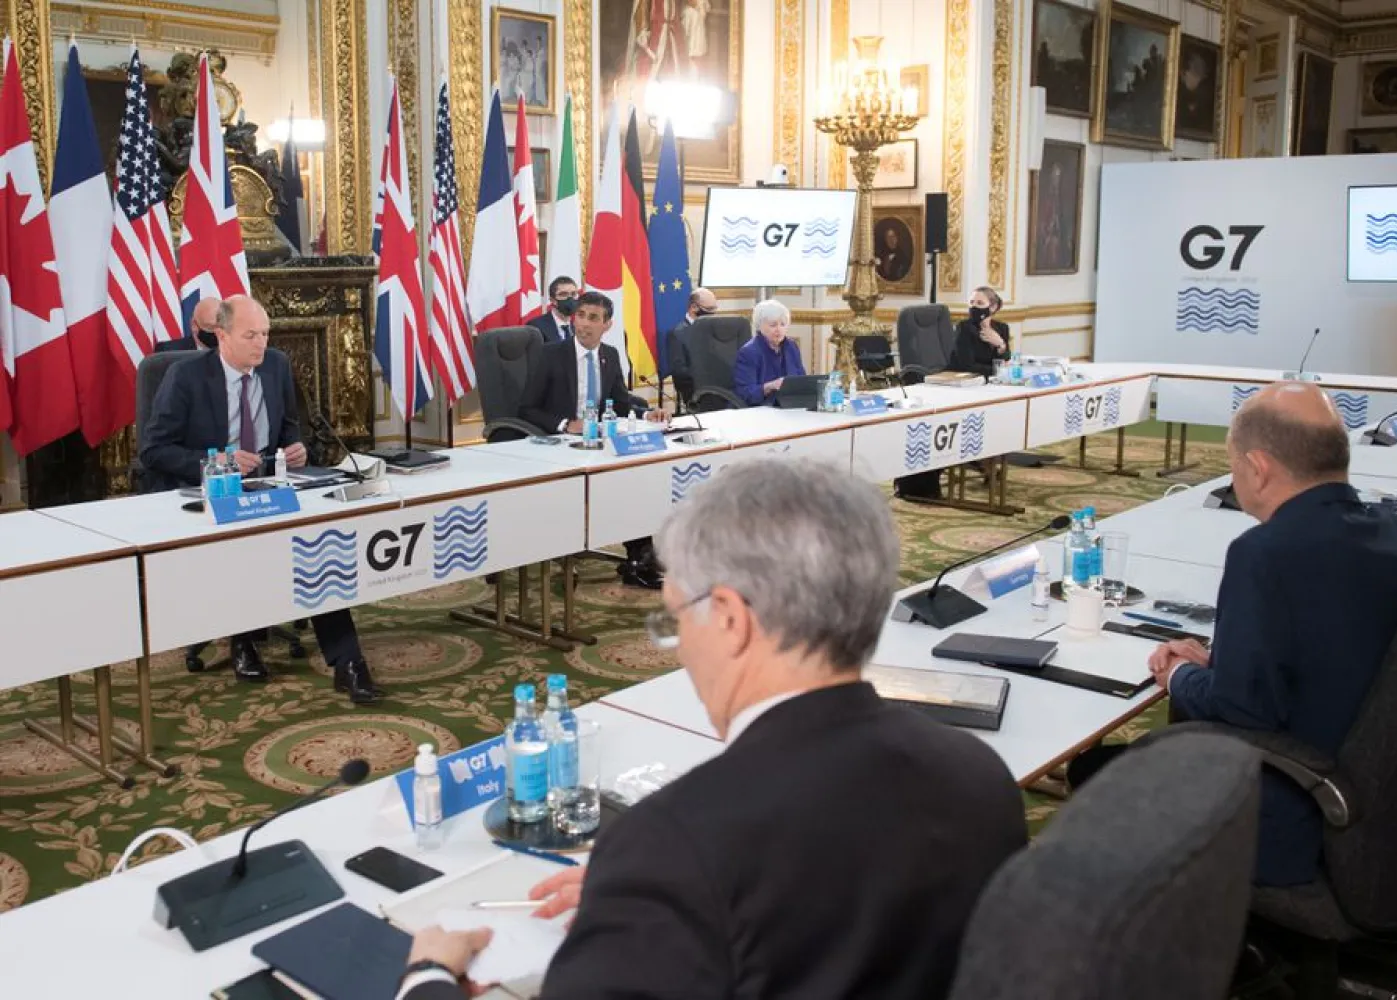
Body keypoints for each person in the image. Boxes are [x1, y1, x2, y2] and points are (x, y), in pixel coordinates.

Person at [396, 459, 1028, 1000]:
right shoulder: (977, 774)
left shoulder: (676, 842)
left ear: (728, 618)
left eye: (676, 617)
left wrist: (428, 977)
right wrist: (644, 907)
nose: (677, 647)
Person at [1068, 382, 1397, 886]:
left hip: (1297, 807)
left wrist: (1178, 674)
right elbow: (1335, 643)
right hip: (1392, 791)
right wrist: (1223, 661)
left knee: (1097, 770)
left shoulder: (1267, 554)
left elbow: (1243, 709)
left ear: (1257, 468)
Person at [139, 296, 383, 703]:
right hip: (212, 493)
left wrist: (296, 448)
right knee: (244, 544)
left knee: (319, 546)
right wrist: (218, 460)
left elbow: (289, 427)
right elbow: (153, 450)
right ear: (222, 336)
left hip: (271, 486)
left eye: (265, 334)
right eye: (250, 335)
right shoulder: (185, 377)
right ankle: (242, 637)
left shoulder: (276, 366)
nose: (261, 344)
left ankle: (348, 664)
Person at [520, 290, 669, 588]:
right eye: (581, 316)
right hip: (558, 445)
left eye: (594, 318)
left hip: (598, 442)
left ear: (607, 325)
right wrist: (564, 424)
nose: (585, 324)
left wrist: (646, 414)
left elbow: (621, 404)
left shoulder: (609, 356)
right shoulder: (551, 354)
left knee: (637, 472)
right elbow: (526, 408)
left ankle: (638, 559)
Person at [733, 298, 805, 406]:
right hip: (761, 410)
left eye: (783, 324)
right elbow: (745, 393)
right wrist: (769, 387)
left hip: (790, 406)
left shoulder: (791, 346)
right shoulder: (748, 352)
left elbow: (802, 380)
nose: (779, 329)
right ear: (759, 326)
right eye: (773, 325)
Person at [666, 287, 717, 409]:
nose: (713, 314)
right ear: (694, 307)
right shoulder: (678, 333)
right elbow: (679, 371)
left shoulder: (714, 330)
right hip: (696, 393)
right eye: (710, 309)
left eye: (715, 309)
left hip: (720, 388)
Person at [951, 285, 1010, 374]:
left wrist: (1001, 345)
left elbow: (1006, 359)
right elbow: (967, 365)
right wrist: (998, 371)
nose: (974, 306)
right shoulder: (963, 327)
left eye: (979, 303)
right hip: (966, 379)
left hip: (992, 379)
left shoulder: (1002, 327)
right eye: (971, 302)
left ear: (993, 307)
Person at [156, 297, 221, 353]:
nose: (216, 331)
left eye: (221, 326)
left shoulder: (230, 350)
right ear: (194, 325)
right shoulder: (168, 351)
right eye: (210, 327)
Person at [528, 276, 578, 344]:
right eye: (563, 294)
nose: (570, 298)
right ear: (553, 300)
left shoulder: (579, 326)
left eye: (573, 294)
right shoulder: (536, 326)